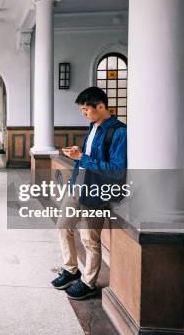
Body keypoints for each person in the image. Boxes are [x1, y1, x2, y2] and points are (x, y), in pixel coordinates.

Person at [51, 86, 127, 300]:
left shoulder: (120, 132)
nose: (83, 113)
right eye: (82, 110)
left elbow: (117, 169)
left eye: (86, 109)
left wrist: (82, 157)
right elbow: (88, 157)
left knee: (89, 239)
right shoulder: (93, 126)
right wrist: (79, 156)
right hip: (78, 187)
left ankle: (88, 282)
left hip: (97, 192)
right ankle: (71, 269)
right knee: (63, 227)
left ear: (101, 106)